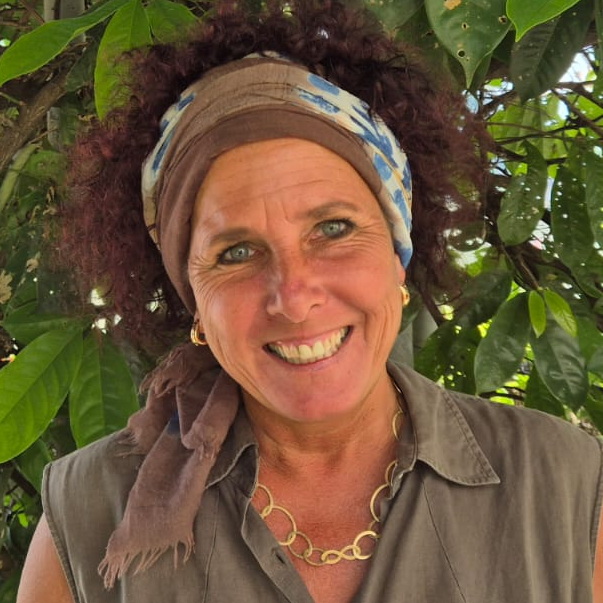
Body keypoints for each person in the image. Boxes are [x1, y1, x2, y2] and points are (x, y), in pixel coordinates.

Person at [16, 2, 603, 602]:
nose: (294, 298)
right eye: (236, 253)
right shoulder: (88, 514)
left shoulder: (566, 486)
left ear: (398, 251)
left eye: (333, 229)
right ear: (194, 303)